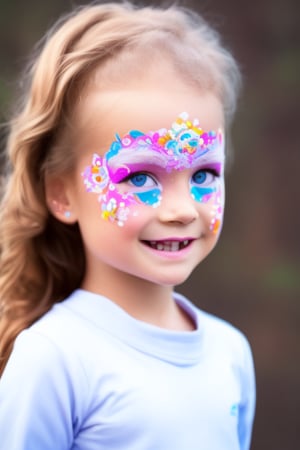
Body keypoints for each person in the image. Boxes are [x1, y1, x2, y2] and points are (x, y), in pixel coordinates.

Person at [0, 2, 255, 449]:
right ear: (61, 194)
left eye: (203, 176)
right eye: (140, 177)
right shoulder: (55, 359)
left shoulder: (230, 353)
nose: (181, 209)